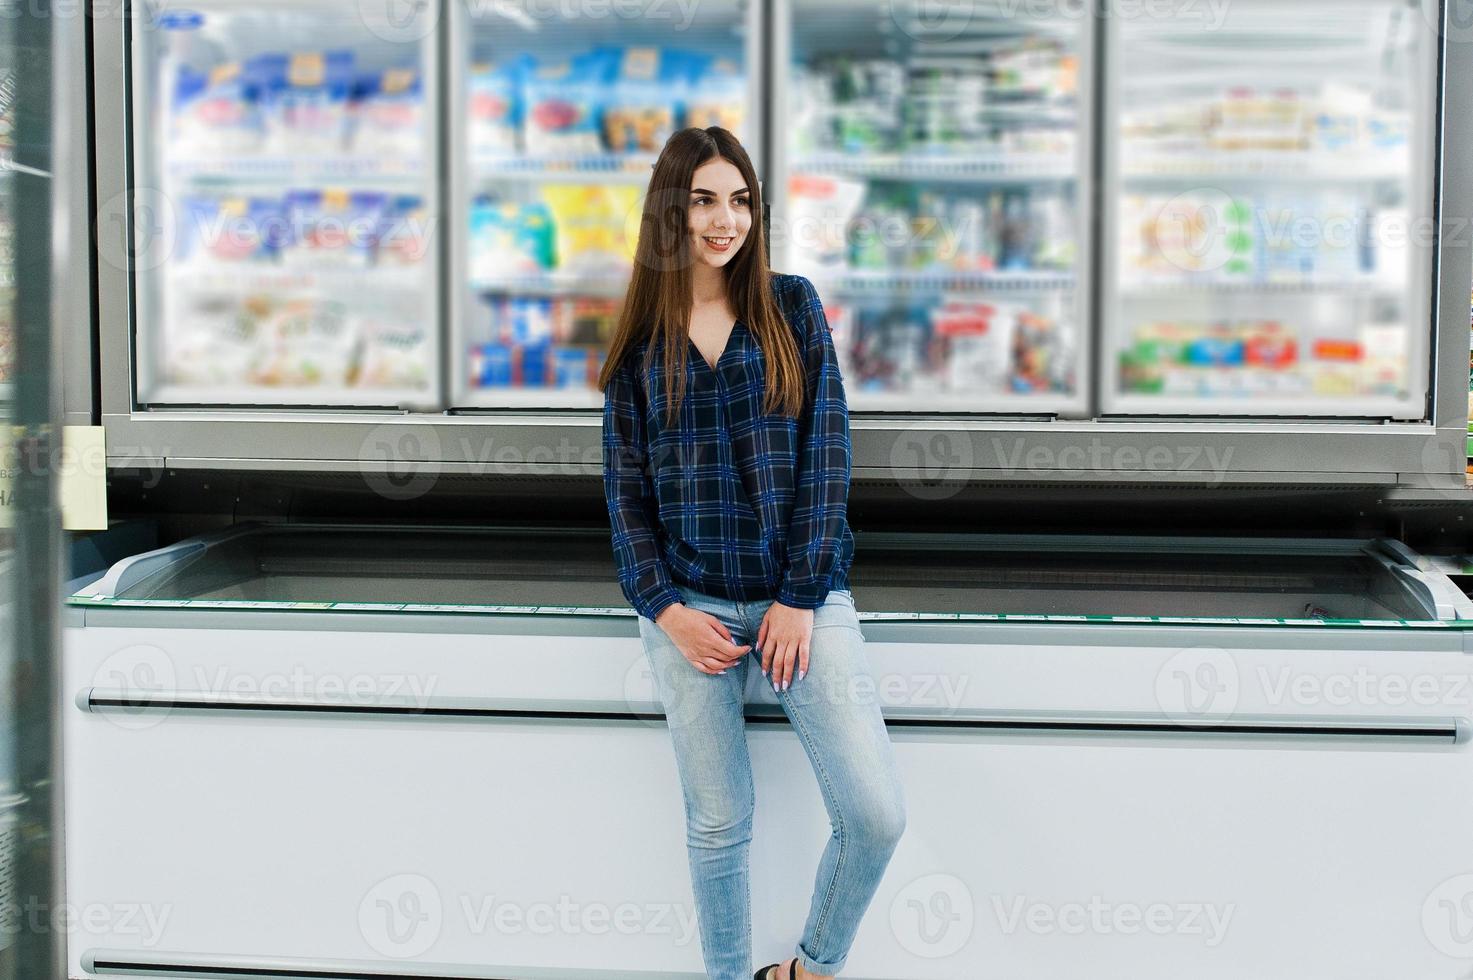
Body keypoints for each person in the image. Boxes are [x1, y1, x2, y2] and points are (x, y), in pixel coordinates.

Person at [599, 125, 906, 980]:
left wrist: (800, 598)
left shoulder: (791, 307)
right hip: (687, 609)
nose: (723, 219)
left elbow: (828, 457)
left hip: (799, 600)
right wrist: (665, 612)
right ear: (671, 210)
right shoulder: (637, 346)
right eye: (702, 200)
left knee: (874, 812)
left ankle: (810, 969)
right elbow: (624, 502)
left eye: (739, 199)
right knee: (718, 822)